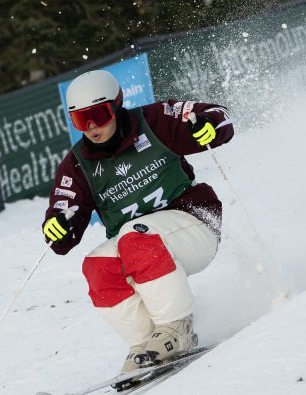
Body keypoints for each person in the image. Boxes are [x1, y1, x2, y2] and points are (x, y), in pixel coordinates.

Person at [42, 70, 234, 373]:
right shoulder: (77, 165)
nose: (91, 127)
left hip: (195, 226)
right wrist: (57, 226)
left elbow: (216, 115)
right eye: (81, 120)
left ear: (116, 105)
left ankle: (176, 328)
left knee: (133, 235)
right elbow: (64, 223)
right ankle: (147, 343)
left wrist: (210, 127)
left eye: (98, 114)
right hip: (142, 253)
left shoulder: (155, 121)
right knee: (97, 264)